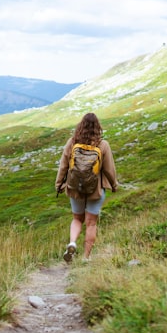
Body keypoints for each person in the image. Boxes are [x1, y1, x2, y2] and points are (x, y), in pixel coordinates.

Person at [54, 112, 119, 262]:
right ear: (98, 127)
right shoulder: (103, 145)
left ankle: (72, 243)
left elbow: (63, 165)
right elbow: (109, 169)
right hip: (95, 191)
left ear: (80, 126)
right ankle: (86, 257)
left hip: (75, 188)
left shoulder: (72, 142)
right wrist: (114, 185)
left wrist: (59, 184)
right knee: (91, 222)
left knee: (77, 219)